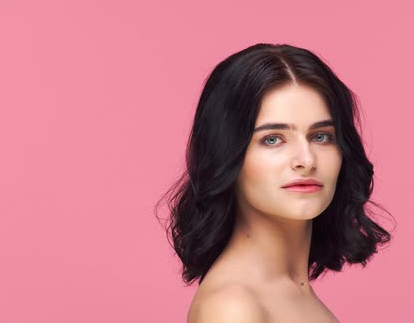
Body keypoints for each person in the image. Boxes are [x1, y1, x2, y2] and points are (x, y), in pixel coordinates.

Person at [154, 43, 393, 322]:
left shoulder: (289, 291)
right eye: (272, 139)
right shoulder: (233, 308)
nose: (306, 160)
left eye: (321, 136)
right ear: (227, 155)